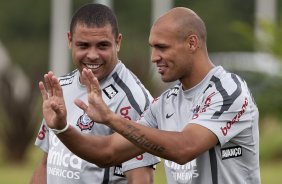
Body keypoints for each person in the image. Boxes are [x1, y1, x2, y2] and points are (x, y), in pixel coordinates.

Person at [39, 7, 261, 184]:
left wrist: (111, 118)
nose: (154, 57)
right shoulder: (165, 103)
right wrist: (61, 128)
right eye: (152, 48)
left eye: (162, 47)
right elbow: (108, 152)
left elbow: (184, 148)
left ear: (192, 43)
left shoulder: (228, 90)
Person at [30, 3, 160, 184]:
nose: (92, 55)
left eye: (102, 46)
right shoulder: (61, 88)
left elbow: (141, 179)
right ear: (69, 40)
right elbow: (46, 164)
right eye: (83, 45)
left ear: (118, 42)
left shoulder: (132, 99)